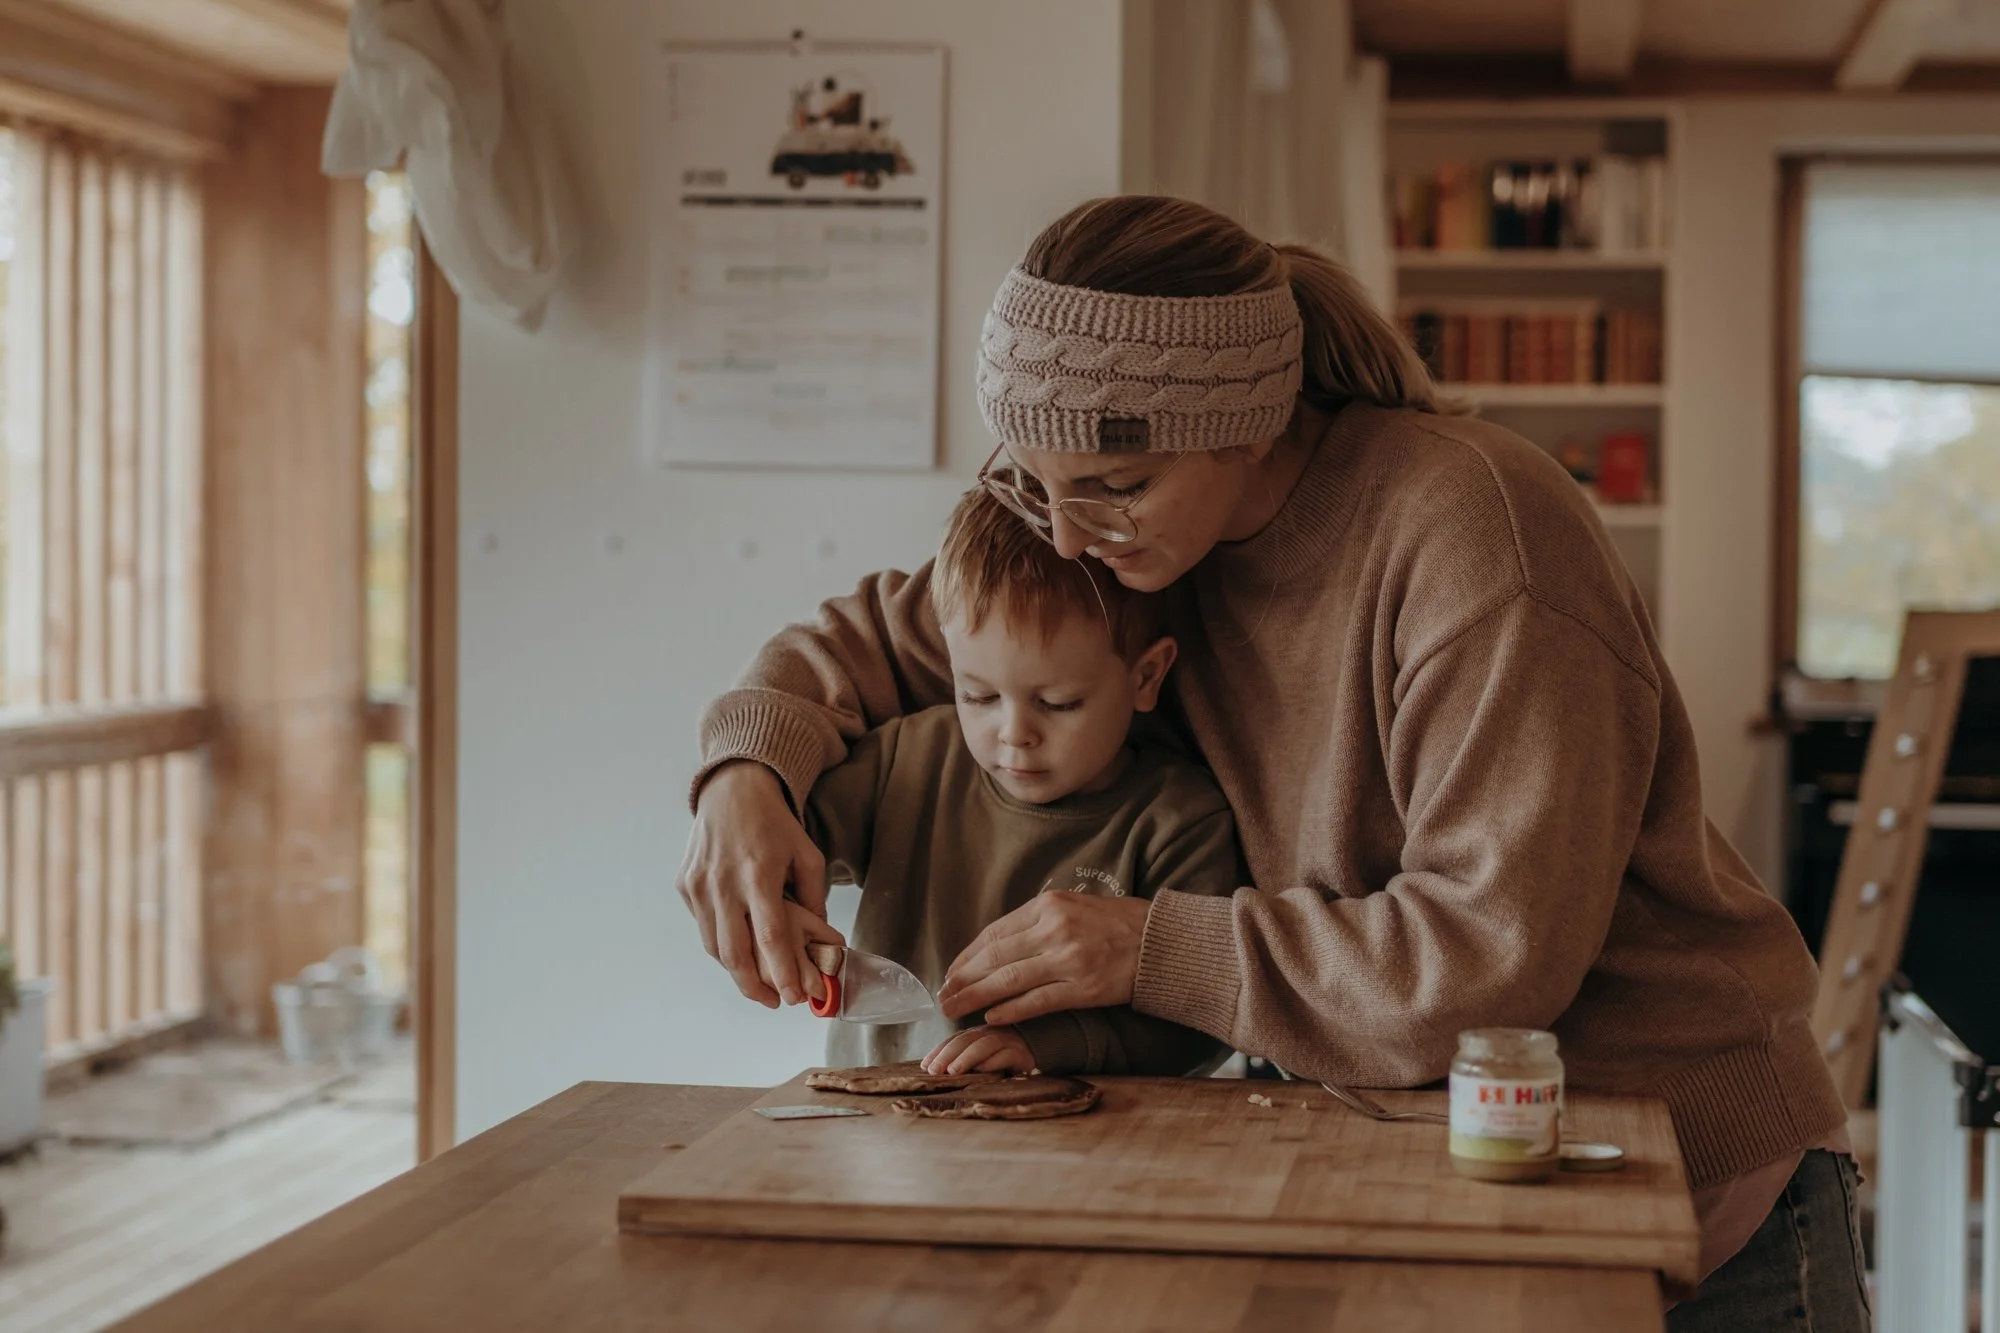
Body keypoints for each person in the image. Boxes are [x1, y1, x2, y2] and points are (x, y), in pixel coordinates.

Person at [677, 196, 1866, 1330]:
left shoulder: (1478, 537)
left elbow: (1483, 968)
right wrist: (748, 777)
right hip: (1411, 1150)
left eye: (1112, 490)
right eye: (1033, 484)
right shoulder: (1109, 518)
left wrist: (1146, 948)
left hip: (1666, 1167)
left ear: (1244, 420)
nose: (1063, 534)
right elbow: (886, 640)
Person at [777, 487, 1239, 1078]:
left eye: (1059, 702)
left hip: (1091, 1145)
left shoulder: (1180, 822)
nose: (1014, 733)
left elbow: (1201, 1023)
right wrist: (775, 903)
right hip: (883, 1133)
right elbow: (785, 850)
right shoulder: (908, 761)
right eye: (979, 695)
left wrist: (1052, 1049)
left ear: (1145, 677)